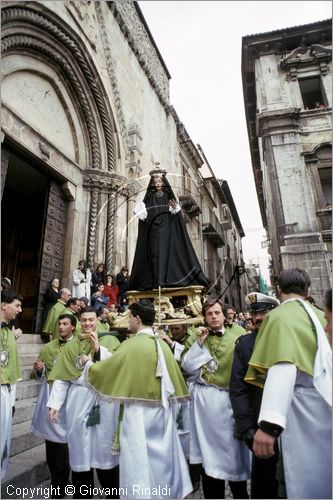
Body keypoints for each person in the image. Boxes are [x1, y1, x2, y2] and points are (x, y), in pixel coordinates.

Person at [82, 300, 193, 499]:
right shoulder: (162, 345)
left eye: (130, 316)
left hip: (137, 414)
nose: (128, 321)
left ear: (138, 318)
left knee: (137, 459)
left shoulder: (131, 345)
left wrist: (89, 364)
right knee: (161, 457)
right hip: (162, 413)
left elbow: (107, 369)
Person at [246, 268, 332, 499]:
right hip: (325, 400)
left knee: (299, 473)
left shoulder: (278, 317)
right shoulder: (322, 314)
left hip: (297, 407)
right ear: (308, 290)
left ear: (279, 290)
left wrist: (269, 425)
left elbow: (282, 365)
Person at [47, 307, 120, 499]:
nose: (88, 324)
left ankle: (112, 494)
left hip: (103, 400)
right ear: (79, 322)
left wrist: (98, 351)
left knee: (104, 448)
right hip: (78, 400)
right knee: (80, 448)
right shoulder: (73, 345)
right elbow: (62, 377)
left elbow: (116, 368)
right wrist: (55, 403)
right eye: (84, 320)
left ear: (98, 320)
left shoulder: (110, 340)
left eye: (91, 320)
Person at [181, 299, 250, 499]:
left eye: (217, 313)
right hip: (203, 408)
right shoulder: (198, 337)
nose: (214, 317)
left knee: (233, 458)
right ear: (204, 317)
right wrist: (198, 343)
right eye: (210, 313)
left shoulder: (238, 337)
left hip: (227, 403)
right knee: (208, 461)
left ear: (224, 315)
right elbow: (186, 367)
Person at [229, 292, 280, 499]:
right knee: (264, 487)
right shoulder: (244, 344)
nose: (257, 318)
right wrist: (247, 429)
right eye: (254, 312)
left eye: (263, 312)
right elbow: (238, 389)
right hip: (258, 430)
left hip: (289, 429)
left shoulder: (284, 340)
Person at [129, 169, 208, 291]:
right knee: (153, 256)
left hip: (165, 232)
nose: (158, 183)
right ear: (152, 183)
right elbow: (144, 217)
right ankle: (154, 281)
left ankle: (163, 280)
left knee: (164, 255)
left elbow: (176, 217)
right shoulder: (149, 199)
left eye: (160, 180)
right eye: (156, 181)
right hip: (153, 232)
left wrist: (175, 209)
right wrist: (142, 212)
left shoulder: (168, 198)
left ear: (164, 182)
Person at [31, 314, 76, 498]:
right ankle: (57, 480)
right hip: (49, 394)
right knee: (51, 442)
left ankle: (62, 482)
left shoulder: (78, 346)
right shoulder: (49, 347)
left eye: (65, 324)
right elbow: (39, 373)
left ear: (73, 326)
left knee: (64, 443)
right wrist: (39, 370)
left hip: (67, 398)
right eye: (59, 324)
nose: (61, 327)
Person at [1, 289, 23, 479]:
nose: (20, 310)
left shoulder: (8, 332)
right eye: (17, 305)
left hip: (6, 391)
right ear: (3, 304)